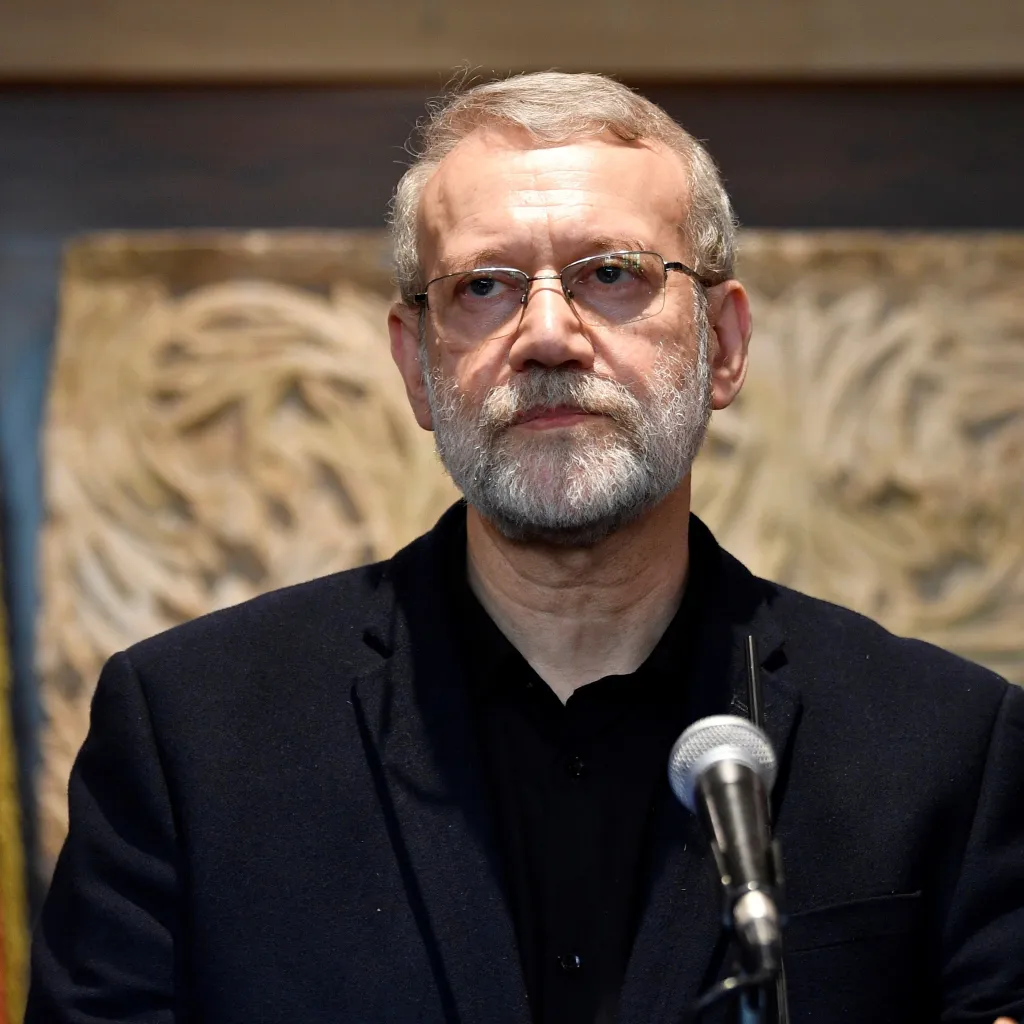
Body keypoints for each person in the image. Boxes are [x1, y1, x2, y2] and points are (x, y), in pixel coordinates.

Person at [27, 72, 1024, 1024]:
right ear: (416, 366)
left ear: (721, 344)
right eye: (484, 286)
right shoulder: (191, 737)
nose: (548, 335)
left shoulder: (945, 747)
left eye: (610, 274)